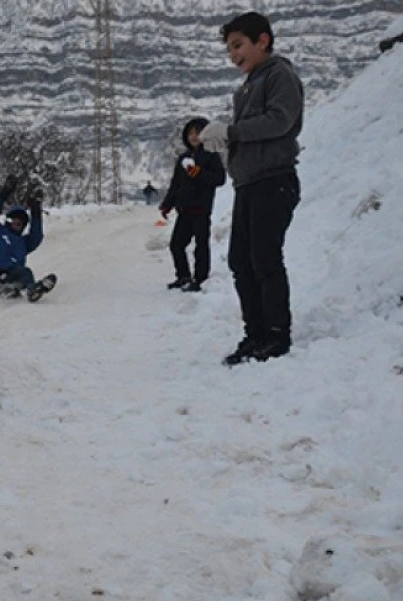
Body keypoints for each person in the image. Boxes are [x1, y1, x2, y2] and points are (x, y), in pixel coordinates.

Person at [199, 11, 303, 365]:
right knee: (241, 261)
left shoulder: (279, 75)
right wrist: (227, 145)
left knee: (264, 259)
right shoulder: (246, 87)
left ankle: (276, 335)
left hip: (273, 181)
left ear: (263, 41)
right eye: (229, 49)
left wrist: (231, 132)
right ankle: (254, 332)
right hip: (248, 184)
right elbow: (250, 134)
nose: (233, 55)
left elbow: (280, 120)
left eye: (238, 45)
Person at [159, 117, 227, 292]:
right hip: (184, 209)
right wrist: (167, 204)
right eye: (190, 133)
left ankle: (201, 279)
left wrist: (198, 172)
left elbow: (219, 179)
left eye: (198, 132)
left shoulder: (211, 156)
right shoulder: (184, 158)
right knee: (176, 245)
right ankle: (183, 276)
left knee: (201, 245)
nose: (194, 136)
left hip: (201, 209)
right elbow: (176, 184)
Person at [0, 176, 56, 304]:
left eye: (20, 223)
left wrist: (36, 212)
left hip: (12, 274)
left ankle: (33, 290)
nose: (16, 223)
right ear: (9, 220)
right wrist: (3, 194)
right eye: (14, 220)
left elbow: (36, 236)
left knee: (26, 272)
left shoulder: (23, 242)